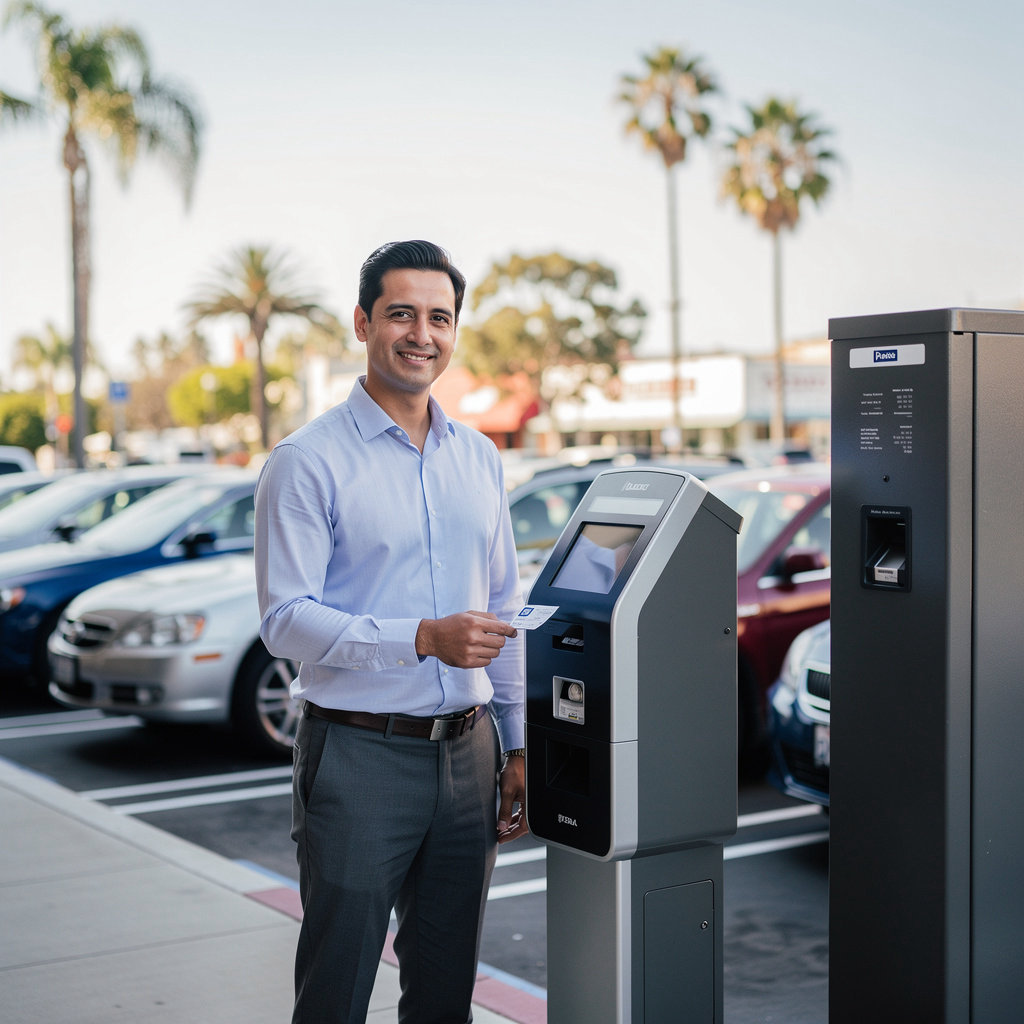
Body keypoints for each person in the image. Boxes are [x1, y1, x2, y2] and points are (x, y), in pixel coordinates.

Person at [254, 239, 527, 1024]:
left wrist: (513, 745)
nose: (422, 334)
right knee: (337, 989)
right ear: (362, 323)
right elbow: (284, 619)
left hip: (470, 756)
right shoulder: (307, 461)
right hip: (358, 757)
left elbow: (501, 605)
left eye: (439, 317)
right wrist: (420, 637)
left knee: (446, 990)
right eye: (401, 313)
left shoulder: (479, 457)